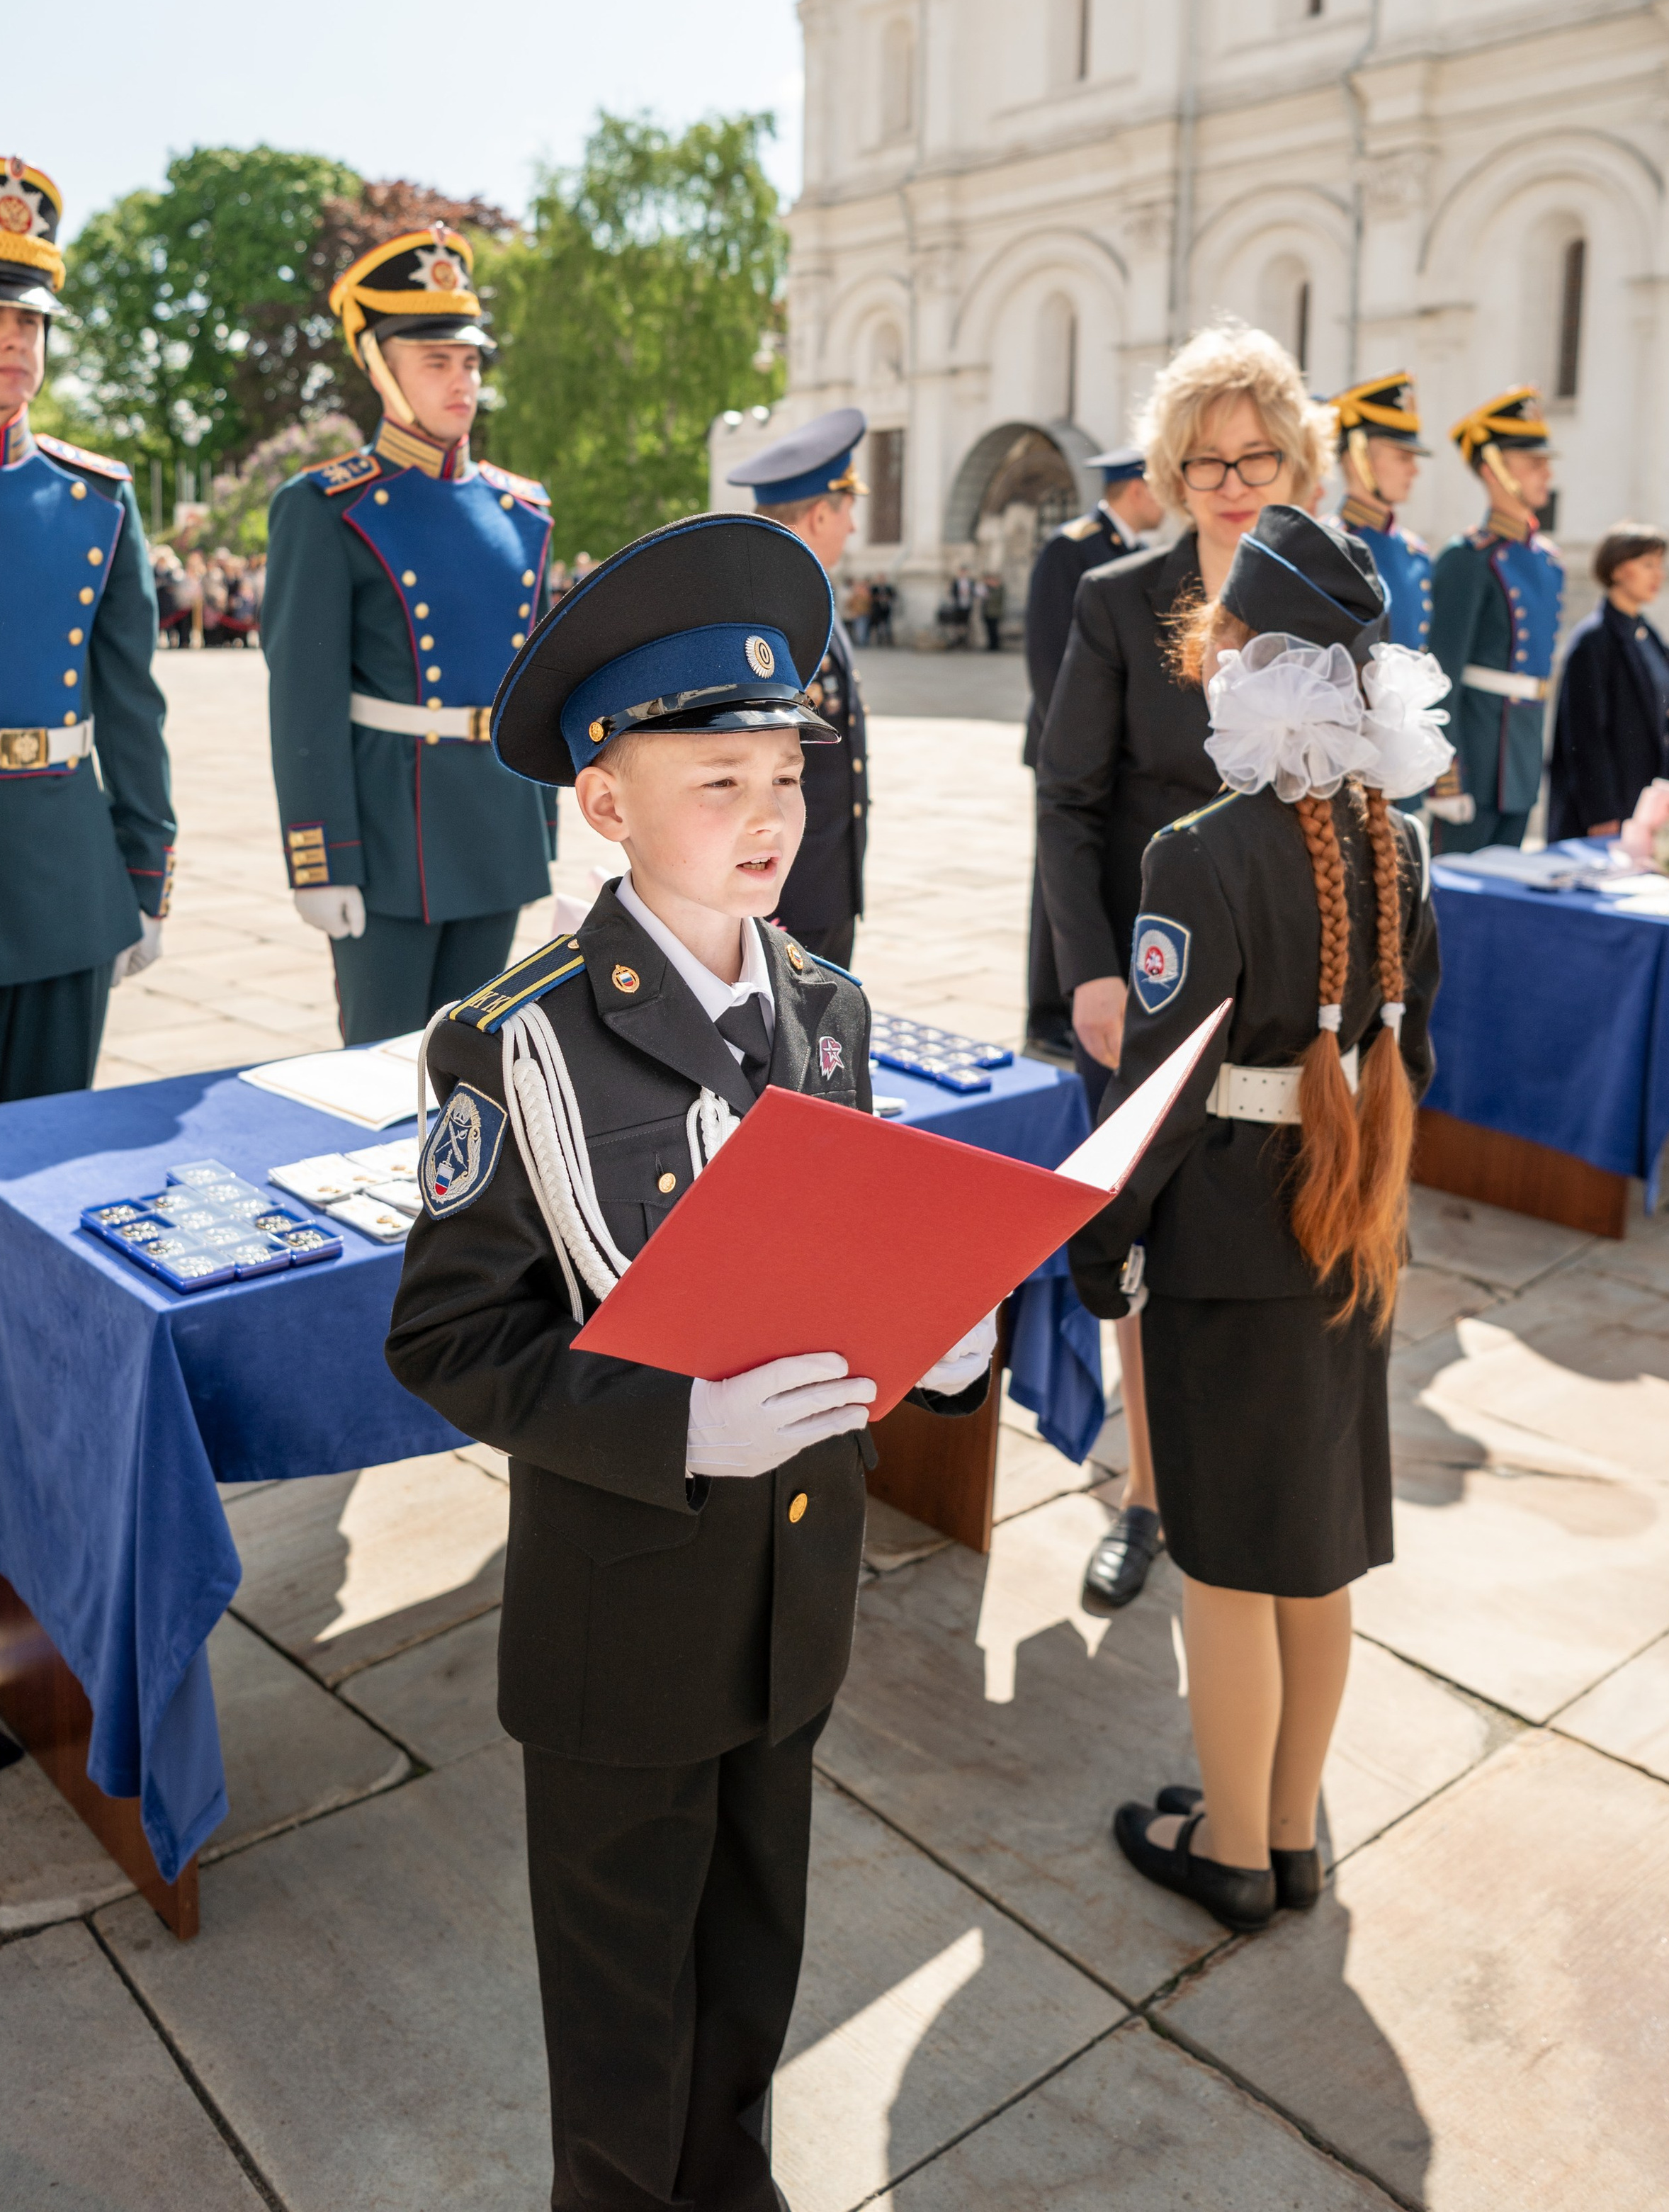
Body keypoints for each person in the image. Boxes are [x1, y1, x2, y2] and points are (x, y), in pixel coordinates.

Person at [385, 510, 995, 2212]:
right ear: (605, 803)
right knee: (620, 2025)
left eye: (782, 778)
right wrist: (678, 1420)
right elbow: (446, 1335)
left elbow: (846, 1264)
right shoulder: (512, 1041)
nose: (764, 819)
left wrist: (923, 1345)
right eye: (713, 783)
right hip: (618, 1625)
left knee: (749, 1981)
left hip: (791, 1598)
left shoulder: (826, 1006)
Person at [1070, 505, 1444, 1931]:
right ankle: (1288, 1831)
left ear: (1245, 658)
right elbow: (1413, 1064)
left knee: (1223, 1562)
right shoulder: (1394, 841)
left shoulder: (1198, 854)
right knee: (1314, 1550)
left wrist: (1101, 1241)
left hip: (1226, 1252)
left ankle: (1227, 1846)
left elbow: (1155, 1094)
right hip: (1350, 1240)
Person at [1039, 325, 1333, 1613]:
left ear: (1296, 462)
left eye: (1257, 453)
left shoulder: (1330, 598)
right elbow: (1067, 801)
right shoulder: (1118, 601)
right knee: (1144, 1232)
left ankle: (1265, 1471)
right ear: (1170, 466)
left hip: (1282, 987)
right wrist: (1093, 972)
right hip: (1145, 979)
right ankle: (1149, 1493)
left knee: (1275, 1225)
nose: (1231, 477)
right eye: (1206, 457)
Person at [0, 153, 174, 1115]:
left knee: (49, 1176)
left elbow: (133, 705)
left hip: (68, 877)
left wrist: (145, 872)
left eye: (30, 318)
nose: (15, 339)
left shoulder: (97, 498)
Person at [262, 222, 557, 1044]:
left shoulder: (521, 510)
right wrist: (321, 858)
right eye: (435, 360)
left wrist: (540, 824)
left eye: (468, 360)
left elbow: (532, 681)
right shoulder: (328, 509)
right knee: (386, 1070)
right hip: (392, 833)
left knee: (485, 1075)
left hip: (493, 822)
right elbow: (304, 706)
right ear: (379, 368)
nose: (461, 379)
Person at [1022, 443, 1165, 1061]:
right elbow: (1051, 661)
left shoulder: (1137, 554)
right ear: (1139, 487)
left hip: (1117, 756)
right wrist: (1079, 748)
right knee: (1057, 877)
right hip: (1074, 750)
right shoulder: (1071, 547)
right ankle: (1048, 1010)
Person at [726, 405, 869, 969]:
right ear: (818, 516)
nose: (854, 527)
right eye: (848, 511)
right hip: (786, 892)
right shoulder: (765, 609)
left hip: (824, 881)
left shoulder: (806, 599)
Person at [1426, 390, 1565, 852]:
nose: (1546, 472)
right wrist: (1446, 778)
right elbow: (1441, 676)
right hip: (1475, 762)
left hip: (1521, 756)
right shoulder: (1467, 560)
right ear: (1492, 468)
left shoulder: (1547, 560)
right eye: (1532, 462)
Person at [1548, 522, 1669, 840]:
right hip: (1608, 814)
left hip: (1649, 806)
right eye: (1647, 565)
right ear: (1616, 570)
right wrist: (1602, 813)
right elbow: (1585, 735)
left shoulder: (1651, 637)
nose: (1659, 575)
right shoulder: (1593, 639)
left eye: (1661, 566)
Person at [1327, 373, 1433, 652]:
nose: (1415, 469)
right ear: (1357, 456)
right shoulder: (1325, 547)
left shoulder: (1416, 553)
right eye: (1402, 457)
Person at [980, 572, 1006, 653]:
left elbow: (997, 599)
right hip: (987, 612)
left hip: (995, 613)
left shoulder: (999, 589)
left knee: (994, 630)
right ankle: (991, 645)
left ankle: (995, 645)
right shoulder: (988, 589)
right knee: (989, 630)